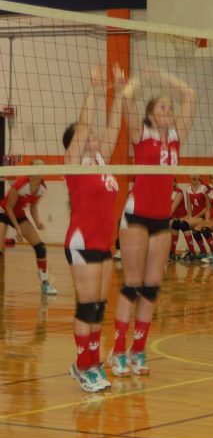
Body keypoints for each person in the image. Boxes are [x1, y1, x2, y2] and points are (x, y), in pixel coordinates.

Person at [109, 69, 196, 377]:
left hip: (161, 218)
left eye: (170, 109)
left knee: (152, 286)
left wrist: (164, 78)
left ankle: (139, 350)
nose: (168, 112)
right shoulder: (140, 135)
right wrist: (134, 83)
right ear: (150, 114)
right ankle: (118, 350)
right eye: (162, 108)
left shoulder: (175, 136)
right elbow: (125, 102)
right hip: (136, 215)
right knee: (132, 284)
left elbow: (191, 97)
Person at [62, 65, 123, 392]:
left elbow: (113, 126)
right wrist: (95, 88)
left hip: (103, 243)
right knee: (86, 306)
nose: (96, 137)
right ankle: (84, 366)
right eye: (89, 136)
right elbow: (86, 125)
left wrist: (119, 91)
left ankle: (90, 363)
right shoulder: (73, 164)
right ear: (77, 142)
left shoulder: (102, 163)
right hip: (82, 240)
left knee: (99, 306)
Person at [0, 158, 51, 293]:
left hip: (19, 214)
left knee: (41, 248)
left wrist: (38, 222)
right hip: (3, 211)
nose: (41, 168)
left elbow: (33, 207)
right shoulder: (22, 184)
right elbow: (9, 207)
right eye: (38, 166)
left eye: (43, 166)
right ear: (31, 170)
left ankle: (45, 283)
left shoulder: (41, 188)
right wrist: (17, 228)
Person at [184, 174, 211, 261]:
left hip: (204, 216)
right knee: (181, 225)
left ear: (200, 176)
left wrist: (194, 217)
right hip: (195, 217)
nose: (194, 176)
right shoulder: (188, 188)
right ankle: (197, 252)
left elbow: (208, 206)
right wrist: (190, 217)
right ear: (189, 176)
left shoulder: (205, 187)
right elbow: (188, 205)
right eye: (192, 175)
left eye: (196, 174)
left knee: (185, 225)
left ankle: (210, 252)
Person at [168, 178, 190, 261]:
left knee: (175, 223)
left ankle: (172, 252)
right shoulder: (164, 192)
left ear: (174, 183)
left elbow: (171, 210)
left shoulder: (178, 192)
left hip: (181, 217)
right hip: (171, 218)